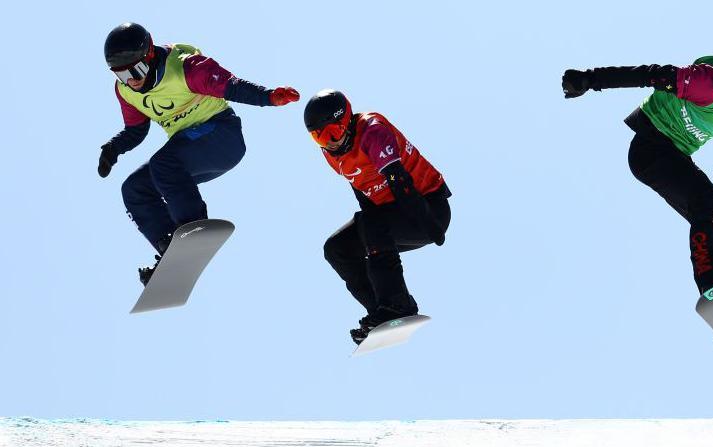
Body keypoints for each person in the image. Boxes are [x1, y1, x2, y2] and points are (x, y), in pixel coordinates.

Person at [562, 46, 713, 337]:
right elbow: (648, 74)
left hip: (675, 156)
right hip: (650, 148)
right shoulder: (709, 83)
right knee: (707, 209)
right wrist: (588, 80)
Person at [98, 22, 300, 285]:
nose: (132, 81)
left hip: (221, 135)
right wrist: (113, 148)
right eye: (122, 76)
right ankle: (170, 250)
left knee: (163, 163)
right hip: (187, 150)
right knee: (135, 188)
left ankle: (194, 230)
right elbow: (136, 130)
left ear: (149, 55)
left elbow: (232, 86)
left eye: (136, 70)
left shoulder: (184, 67)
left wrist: (269, 96)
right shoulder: (126, 92)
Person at [304, 90, 451, 344]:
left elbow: (398, 180)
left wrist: (429, 224)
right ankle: (380, 313)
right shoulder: (331, 154)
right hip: (390, 217)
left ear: (347, 120)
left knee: (371, 223)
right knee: (337, 249)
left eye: (333, 133)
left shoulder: (373, 131)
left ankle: (398, 305)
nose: (330, 142)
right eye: (320, 137)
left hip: (426, 208)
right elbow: (361, 189)